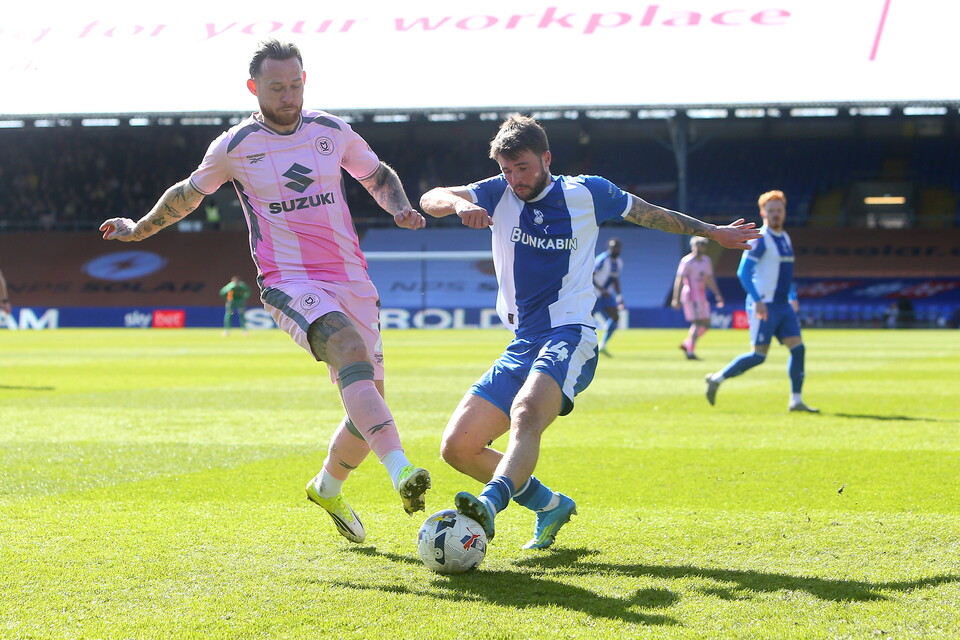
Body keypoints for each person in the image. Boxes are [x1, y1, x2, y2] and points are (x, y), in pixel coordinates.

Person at [100, 39, 431, 544]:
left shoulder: (331, 130)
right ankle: (402, 470)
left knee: (369, 408)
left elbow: (377, 174)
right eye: (277, 88)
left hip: (352, 279)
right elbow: (188, 194)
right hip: (289, 280)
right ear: (253, 88)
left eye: (295, 85)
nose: (289, 96)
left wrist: (399, 208)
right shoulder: (235, 146)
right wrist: (138, 229)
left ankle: (327, 488)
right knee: (347, 349)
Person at [419, 114, 759, 549]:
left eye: (523, 167)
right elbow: (430, 198)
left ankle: (490, 503)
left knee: (527, 411)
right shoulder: (498, 191)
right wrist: (459, 205)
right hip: (523, 341)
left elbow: (650, 214)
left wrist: (711, 231)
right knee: (458, 447)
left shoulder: (588, 192)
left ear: (546, 158)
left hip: (570, 331)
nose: (515, 178)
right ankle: (550, 505)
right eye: (506, 169)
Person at [704, 190, 818, 412]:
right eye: (771, 210)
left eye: (779, 210)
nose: (776, 214)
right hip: (764, 306)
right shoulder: (761, 239)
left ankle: (796, 401)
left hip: (783, 305)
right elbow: (743, 272)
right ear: (763, 213)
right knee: (758, 355)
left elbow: (785, 273)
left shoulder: (785, 238)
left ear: (784, 212)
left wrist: (792, 296)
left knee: (798, 349)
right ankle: (717, 379)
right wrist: (757, 300)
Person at [671, 237, 724, 360]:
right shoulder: (687, 261)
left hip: (701, 295)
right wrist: (676, 298)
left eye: (701, 245)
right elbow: (679, 280)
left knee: (707, 324)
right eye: (697, 245)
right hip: (691, 295)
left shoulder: (706, 261)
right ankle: (690, 352)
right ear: (692, 247)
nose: (699, 248)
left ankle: (687, 344)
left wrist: (718, 295)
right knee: (698, 322)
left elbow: (709, 279)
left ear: (705, 248)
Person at [592, 238, 624, 356]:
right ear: (609, 248)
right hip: (594, 294)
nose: (615, 250)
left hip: (606, 295)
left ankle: (603, 345)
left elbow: (615, 279)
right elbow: (590, 276)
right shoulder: (601, 260)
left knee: (615, 317)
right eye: (613, 247)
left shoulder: (618, 262)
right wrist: (601, 289)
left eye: (617, 247)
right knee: (586, 320)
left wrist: (619, 295)